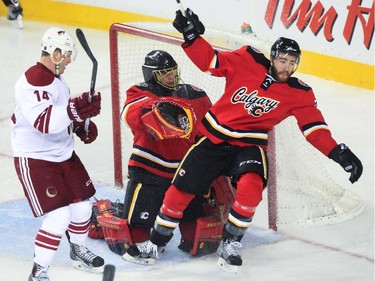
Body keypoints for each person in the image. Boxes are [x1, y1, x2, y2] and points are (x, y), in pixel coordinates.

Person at [124, 8, 364, 273]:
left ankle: (231, 243)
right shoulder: (247, 59)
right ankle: (156, 244)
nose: (287, 66)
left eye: (292, 62)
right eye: (282, 60)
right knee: (179, 191)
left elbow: (314, 129)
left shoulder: (300, 94)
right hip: (213, 138)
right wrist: (192, 37)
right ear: (273, 58)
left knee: (251, 190)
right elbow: (211, 62)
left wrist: (338, 153)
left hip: (249, 145)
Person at [97, 49, 229, 261]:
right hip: (149, 170)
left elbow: (212, 125)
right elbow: (131, 114)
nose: (171, 76)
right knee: (134, 241)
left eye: (173, 71)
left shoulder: (194, 94)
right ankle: (101, 216)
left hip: (186, 170)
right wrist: (158, 108)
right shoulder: (139, 93)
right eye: (164, 72)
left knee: (202, 238)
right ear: (151, 75)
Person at [11, 27, 104, 281]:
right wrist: (75, 110)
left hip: (63, 154)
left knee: (83, 207)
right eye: (68, 56)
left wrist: (80, 123)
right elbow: (44, 122)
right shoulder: (33, 81)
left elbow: (60, 114)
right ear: (56, 53)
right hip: (36, 159)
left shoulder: (56, 79)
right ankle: (38, 271)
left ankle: (78, 250)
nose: (70, 61)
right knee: (59, 216)